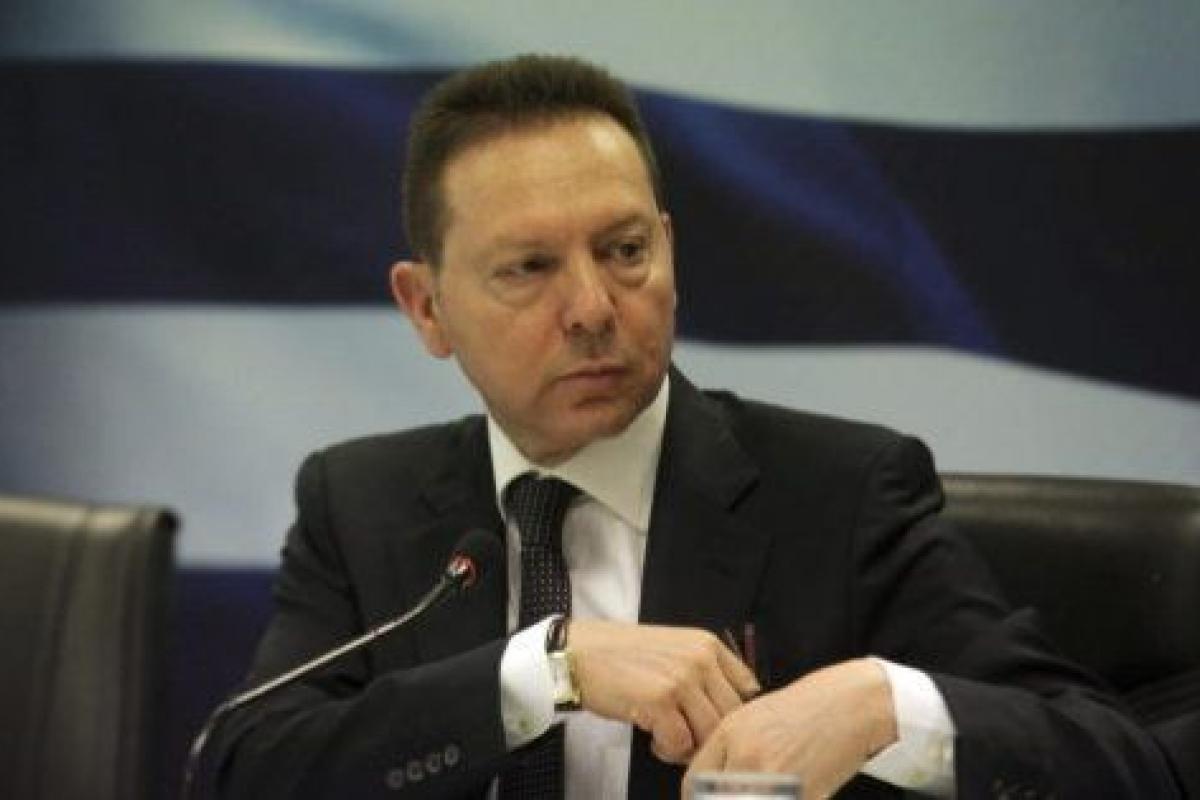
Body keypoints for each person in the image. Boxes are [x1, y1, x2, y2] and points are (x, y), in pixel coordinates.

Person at [213, 54, 1180, 799]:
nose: (593, 307)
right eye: (530, 269)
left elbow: (1123, 764)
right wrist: (545, 670)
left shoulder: (840, 494)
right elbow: (244, 769)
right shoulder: (360, 503)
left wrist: (886, 705)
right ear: (427, 308)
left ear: (668, 252)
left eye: (624, 250)